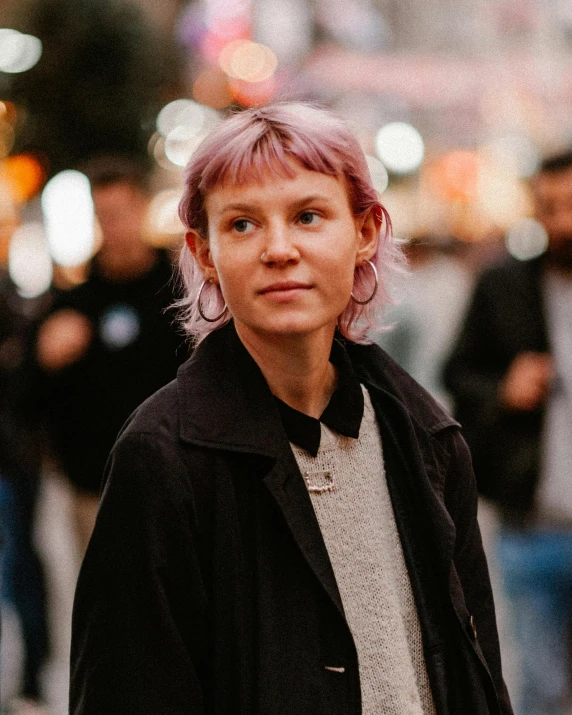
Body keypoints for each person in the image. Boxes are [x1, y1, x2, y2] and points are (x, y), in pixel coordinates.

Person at [69, 103, 512, 715]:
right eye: (243, 225)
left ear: (364, 233)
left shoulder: (427, 437)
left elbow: (476, 673)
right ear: (203, 254)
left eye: (307, 216)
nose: (279, 249)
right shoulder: (163, 455)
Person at [444, 151, 572, 715]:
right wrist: (503, 389)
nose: (563, 221)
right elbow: (457, 375)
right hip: (531, 522)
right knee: (540, 689)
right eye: (550, 208)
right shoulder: (503, 286)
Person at [36, 156, 186, 555]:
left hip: (176, 480)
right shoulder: (74, 302)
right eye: (103, 216)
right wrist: (46, 358)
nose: (113, 227)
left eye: (120, 214)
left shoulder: (181, 294)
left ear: (141, 208)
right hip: (94, 484)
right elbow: (37, 390)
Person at [0, 272, 50, 715]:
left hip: (11, 464)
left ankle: (30, 678)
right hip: (16, 461)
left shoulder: (12, 306)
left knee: (16, 571)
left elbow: (26, 389)